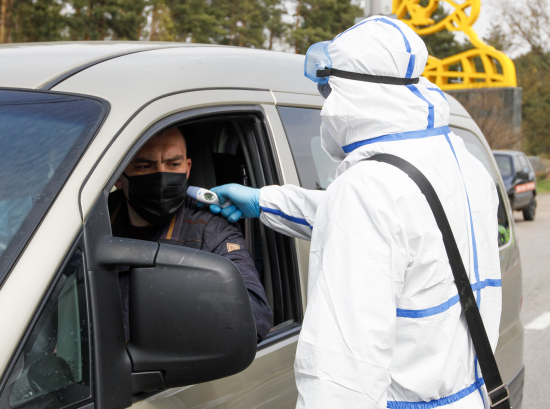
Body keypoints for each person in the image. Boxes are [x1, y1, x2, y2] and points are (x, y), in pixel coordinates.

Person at [203, 16, 502, 409]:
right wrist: (263, 200)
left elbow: (341, 376)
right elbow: (397, 229)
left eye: (328, 91)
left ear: (350, 94)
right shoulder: (461, 163)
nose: (326, 104)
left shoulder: (368, 189)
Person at [109, 127, 272, 342]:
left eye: (173, 164)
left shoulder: (211, 227)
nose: (161, 175)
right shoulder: (94, 220)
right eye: (144, 166)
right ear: (119, 176)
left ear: (187, 169)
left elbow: (252, 316)